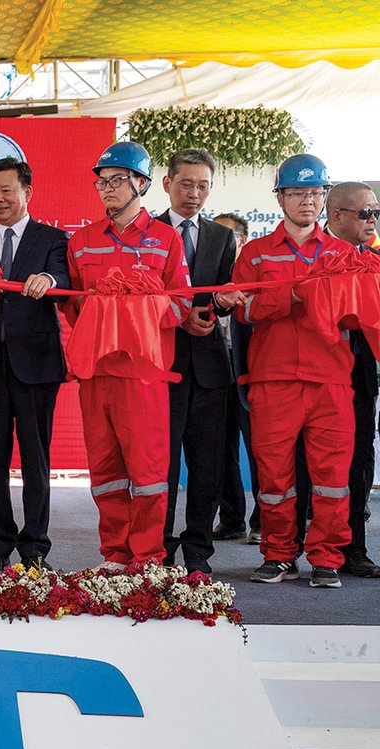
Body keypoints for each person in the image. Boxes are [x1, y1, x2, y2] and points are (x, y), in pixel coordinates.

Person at [66, 141, 192, 570]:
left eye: (118, 180)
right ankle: (115, 556)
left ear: (142, 183)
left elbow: (181, 307)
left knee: (149, 473)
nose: (108, 189)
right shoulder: (81, 242)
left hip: (144, 377)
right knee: (105, 473)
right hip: (97, 376)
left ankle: (149, 557)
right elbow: (72, 306)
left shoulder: (165, 239)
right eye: (103, 182)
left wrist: (142, 303)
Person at [234, 154, 355, 589]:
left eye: (315, 193)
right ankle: (279, 553)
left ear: (325, 198)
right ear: (280, 197)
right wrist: (295, 297)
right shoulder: (255, 253)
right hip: (273, 379)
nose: (307, 201)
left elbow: (357, 314)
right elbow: (242, 310)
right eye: (298, 192)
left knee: (332, 478)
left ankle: (326, 557)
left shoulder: (344, 255)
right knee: (274, 477)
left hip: (331, 381)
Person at [0, 158, 70, 574]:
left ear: (28, 193)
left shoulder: (52, 239)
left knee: (35, 459)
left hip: (36, 363)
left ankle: (35, 547)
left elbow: (62, 278)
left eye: (7, 190)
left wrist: (48, 279)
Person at [157, 149, 242, 576]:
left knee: (206, 466)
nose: (194, 193)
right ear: (167, 183)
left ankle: (198, 551)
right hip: (162, 362)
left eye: (203, 186)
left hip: (209, 366)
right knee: (162, 466)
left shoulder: (221, 237)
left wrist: (221, 305)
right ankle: (159, 549)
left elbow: (225, 295)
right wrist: (179, 316)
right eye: (186, 184)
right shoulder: (147, 232)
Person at [323, 181, 380, 578]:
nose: (373, 220)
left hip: (361, 372)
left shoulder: (376, 258)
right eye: (365, 213)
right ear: (337, 215)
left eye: (376, 212)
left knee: (361, 455)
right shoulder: (313, 254)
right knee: (309, 464)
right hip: (316, 372)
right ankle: (299, 546)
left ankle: (354, 547)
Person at [211, 212, 261, 544]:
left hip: (250, 374)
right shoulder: (207, 273)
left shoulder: (257, 273)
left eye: (226, 238)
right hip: (213, 373)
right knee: (219, 449)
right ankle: (231, 518)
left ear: (241, 241)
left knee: (260, 451)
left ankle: (262, 521)